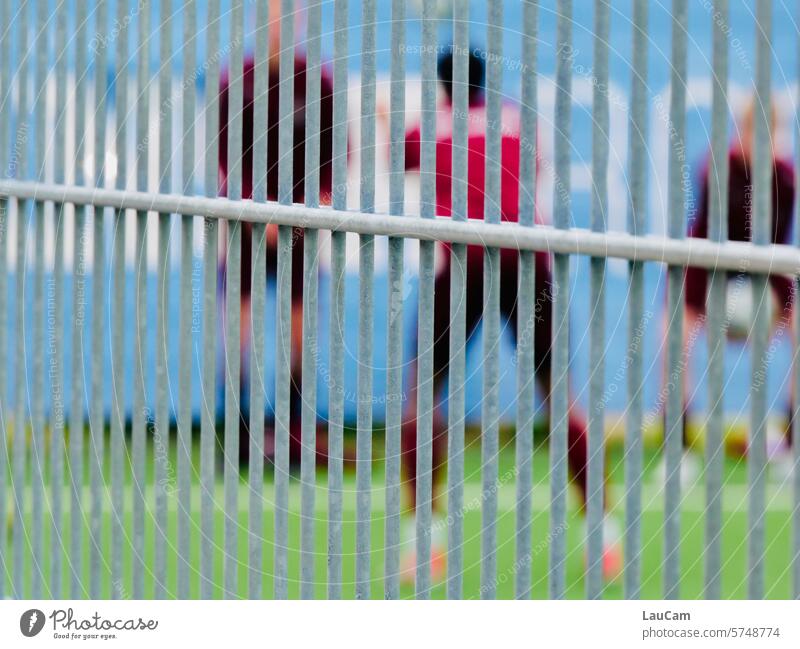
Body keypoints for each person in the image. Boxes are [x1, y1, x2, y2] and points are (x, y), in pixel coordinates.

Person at [399, 47, 620, 583]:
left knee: (421, 397)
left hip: (466, 264)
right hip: (526, 262)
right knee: (559, 396)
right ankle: (604, 538)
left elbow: (406, 162)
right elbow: (536, 167)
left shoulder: (426, 131)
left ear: (442, 87)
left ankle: (425, 542)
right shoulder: (518, 123)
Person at [218, 0, 336, 463]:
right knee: (237, 330)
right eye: (272, 16)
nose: (280, 25)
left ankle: (295, 435)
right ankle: (237, 436)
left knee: (299, 334)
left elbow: (332, 166)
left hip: (300, 230)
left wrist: (308, 211)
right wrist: (256, 211)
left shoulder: (318, 82)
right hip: (246, 229)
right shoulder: (237, 81)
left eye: (289, 16)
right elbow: (224, 159)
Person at [679, 100, 795, 469]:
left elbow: (777, 249)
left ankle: (790, 441)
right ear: (739, 130)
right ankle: (677, 444)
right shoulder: (717, 169)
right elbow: (704, 240)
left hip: (761, 285)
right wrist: (695, 309)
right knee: (673, 332)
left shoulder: (785, 178)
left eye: (769, 132)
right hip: (711, 279)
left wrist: (784, 311)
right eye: (751, 130)